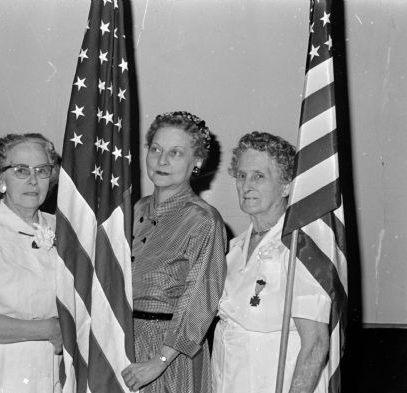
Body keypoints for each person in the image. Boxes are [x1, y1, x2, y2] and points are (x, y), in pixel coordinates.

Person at [212, 131, 330, 393]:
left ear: (287, 186)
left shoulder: (300, 248)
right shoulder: (234, 249)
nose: (247, 185)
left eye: (259, 176)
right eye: (241, 176)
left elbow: (316, 344)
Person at [121, 111, 227, 393]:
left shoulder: (204, 220)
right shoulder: (132, 210)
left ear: (197, 162)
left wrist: (160, 360)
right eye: (155, 149)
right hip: (120, 342)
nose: (162, 160)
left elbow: (201, 299)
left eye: (176, 153)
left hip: (169, 356)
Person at [0, 133, 63, 393]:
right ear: (0, 179)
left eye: (42, 171)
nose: (33, 180)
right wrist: (48, 329)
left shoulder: (63, 227)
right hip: (2, 374)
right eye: (20, 170)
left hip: (56, 371)